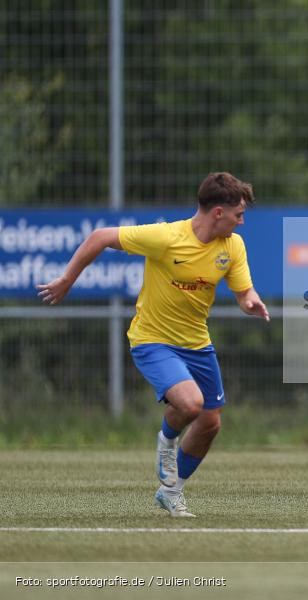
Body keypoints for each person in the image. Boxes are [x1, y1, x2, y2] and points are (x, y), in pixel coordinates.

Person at [37, 172, 269, 517]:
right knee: (190, 404)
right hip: (153, 340)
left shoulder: (232, 245)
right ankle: (166, 441)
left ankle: (171, 491)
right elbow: (100, 237)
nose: (242, 221)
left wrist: (250, 301)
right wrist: (67, 280)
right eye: (238, 214)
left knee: (210, 422)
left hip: (197, 343)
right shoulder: (166, 237)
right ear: (218, 213)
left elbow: (242, 291)